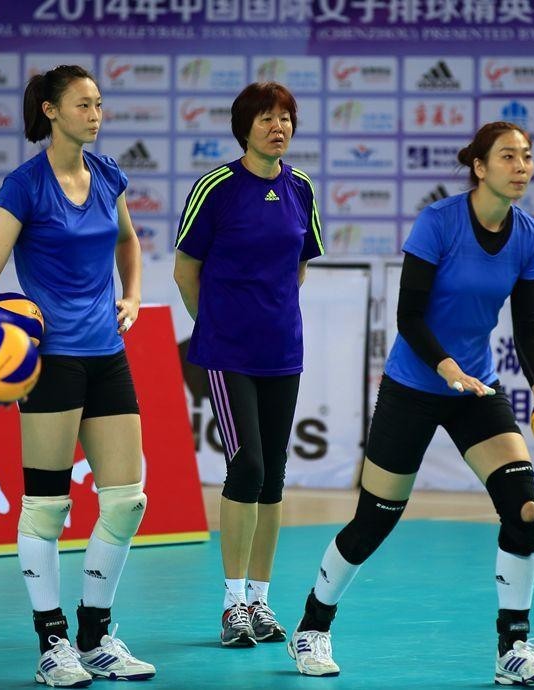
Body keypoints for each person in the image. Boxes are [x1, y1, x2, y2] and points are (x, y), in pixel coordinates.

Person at [287, 121, 534, 686]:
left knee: (524, 509)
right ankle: (313, 626)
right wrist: (445, 366)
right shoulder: (438, 222)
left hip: (476, 390)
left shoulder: (529, 235)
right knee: (374, 520)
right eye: (508, 156)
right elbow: (408, 316)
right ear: (479, 167)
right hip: (415, 385)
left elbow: (527, 326)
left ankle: (513, 647)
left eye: (527, 157)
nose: (521, 166)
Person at [0, 65, 154, 687]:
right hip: (52, 362)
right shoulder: (24, 186)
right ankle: (52, 644)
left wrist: (132, 294)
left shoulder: (109, 175)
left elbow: (128, 242)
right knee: (46, 507)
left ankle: (95, 637)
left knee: (126, 501)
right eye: (83, 104)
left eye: (99, 104)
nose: (95, 115)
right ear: (50, 111)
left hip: (107, 355)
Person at [173, 82, 324, 648]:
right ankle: (232, 603)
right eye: (266, 118)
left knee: (274, 473)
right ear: (244, 128)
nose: (278, 127)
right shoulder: (216, 187)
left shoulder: (301, 188)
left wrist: (270, 314)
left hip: (282, 352)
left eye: (285, 118)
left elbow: (299, 266)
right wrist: (215, 325)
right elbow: (185, 271)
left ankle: (260, 601)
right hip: (227, 353)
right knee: (248, 466)